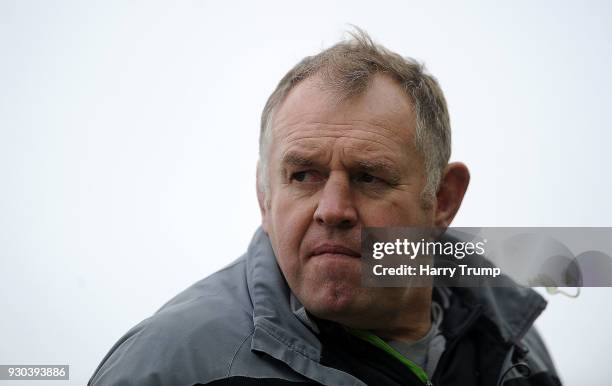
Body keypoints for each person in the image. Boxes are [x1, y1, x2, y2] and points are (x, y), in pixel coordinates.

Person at [89, 29, 561, 386]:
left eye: (369, 177)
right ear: (264, 196)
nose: (332, 210)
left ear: (443, 199)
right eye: (303, 176)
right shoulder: (172, 364)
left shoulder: (508, 331)